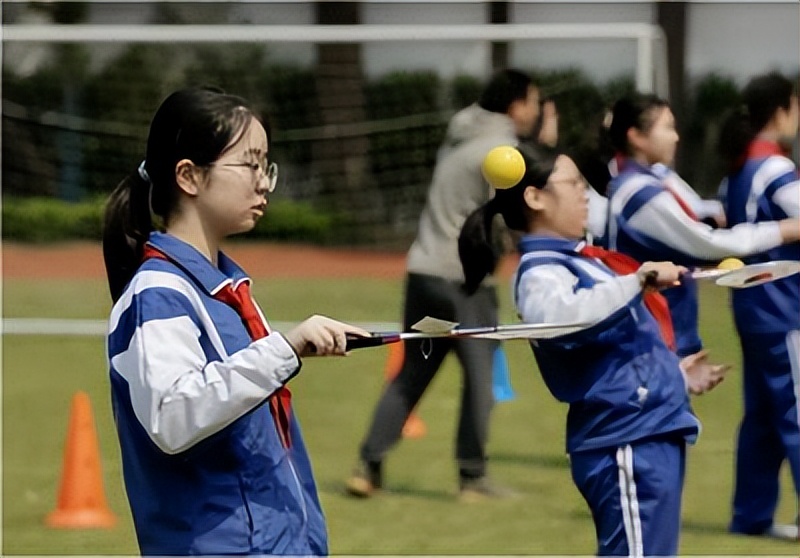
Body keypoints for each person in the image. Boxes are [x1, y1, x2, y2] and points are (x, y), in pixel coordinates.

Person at [102, 87, 368, 556]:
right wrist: (284, 350)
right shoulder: (159, 294)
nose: (264, 181)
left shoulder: (226, 289)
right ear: (189, 176)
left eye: (267, 166)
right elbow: (172, 417)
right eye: (250, 164)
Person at [459, 144, 728, 556]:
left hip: (652, 427)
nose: (585, 194)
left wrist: (673, 374)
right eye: (574, 184)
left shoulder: (588, 260)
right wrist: (637, 281)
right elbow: (563, 320)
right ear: (535, 197)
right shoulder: (541, 273)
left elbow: (615, 347)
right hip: (624, 439)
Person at [345, 69, 548, 501]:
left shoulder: (459, 134)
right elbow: (518, 214)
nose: (537, 109)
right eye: (533, 101)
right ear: (516, 106)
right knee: (480, 379)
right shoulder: (503, 150)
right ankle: (472, 478)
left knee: (412, 374)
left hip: (422, 271)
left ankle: (369, 466)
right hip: (464, 280)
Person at [604, 93, 800, 358]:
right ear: (636, 136)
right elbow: (707, 244)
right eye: (668, 127)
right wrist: (783, 230)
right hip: (648, 336)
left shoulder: (651, 179)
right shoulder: (637, 193)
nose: (676, 137)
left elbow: (697, 214)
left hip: (660, 333)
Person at [717, 71, 800, 541]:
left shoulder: (739, 168)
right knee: (795, 411)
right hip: (785, 308)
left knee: (765, 415)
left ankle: (751, 516)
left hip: (752, 307)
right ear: (782, 109)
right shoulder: (775, 168)